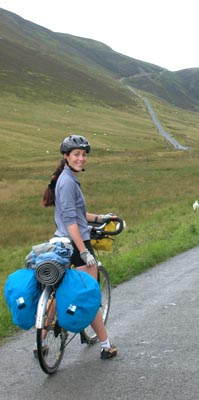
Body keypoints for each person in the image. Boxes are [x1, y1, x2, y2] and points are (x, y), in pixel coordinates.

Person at [42, 134, 117, 359]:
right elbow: (71, 221)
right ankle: (106, 346)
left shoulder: (66, 179)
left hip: (60, 241)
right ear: (66, 156)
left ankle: (41, 340)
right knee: (90, 295)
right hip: (76, 244)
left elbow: (77, 214)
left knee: (57, 292)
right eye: (76, 154)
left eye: (84, 155)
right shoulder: (66, 182)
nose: (81, 158)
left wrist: (100, 218)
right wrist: (83, 252)